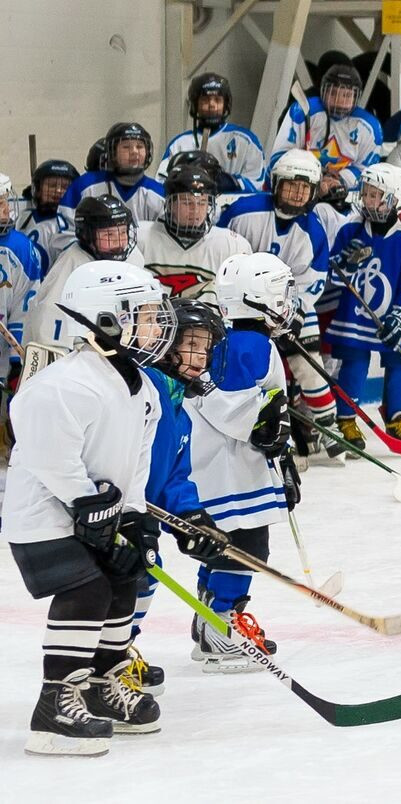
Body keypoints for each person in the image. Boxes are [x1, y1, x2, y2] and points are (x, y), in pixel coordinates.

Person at [3, 260, 175, 755]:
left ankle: (100, 688)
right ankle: (55, 702)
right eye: (143, 314)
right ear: (105, 319)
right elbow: (42, 450)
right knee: (89, 586)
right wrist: (84, 499)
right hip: (43, 517)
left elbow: (135, 463)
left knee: (127, 576)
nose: (157, 324)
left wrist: (136, 517)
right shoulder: (66, 383)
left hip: (94, 513)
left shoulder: (142, 388)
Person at [187, 253, 296, 672]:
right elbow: (232, 409)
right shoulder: (253, 344)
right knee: (247, 548)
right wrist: (268, 430)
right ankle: (223, 630)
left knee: (220, 546)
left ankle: (208, 623)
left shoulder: (223, 337)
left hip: (215, 466)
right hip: (232, 469)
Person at [129, 298, 228, 693]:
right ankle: (99, 662)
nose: (201, 358)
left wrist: (193, 519)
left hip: (141, 514)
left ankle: (119, 649)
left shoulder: (179, 409)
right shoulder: (143, 387)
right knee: (123, 577)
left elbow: (173, 477)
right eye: (192, 345)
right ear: (165, 344)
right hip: (109, 511)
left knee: (143, 575)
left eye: (206, 348)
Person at [219, 149, 339, 462]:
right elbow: (221, 254)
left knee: (308, 360)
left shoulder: (312, 230)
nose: (298, 193)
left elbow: (310, 282)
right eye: (291, 185)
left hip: (282, 304)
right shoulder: (243, 212)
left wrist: (293, 314)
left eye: (305, 187)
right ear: (275, 184)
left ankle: (328, 425)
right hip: (239, 305)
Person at [327, 163, 401, 447]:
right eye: (367, 194)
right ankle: (346, 419)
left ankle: (396, 417)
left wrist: (400, 316)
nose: (369, 201)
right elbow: (334, 278)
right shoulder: (350, 229)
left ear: (396, 199)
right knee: (354, 362)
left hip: (393, 314)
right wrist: (343, 264)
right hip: (355, 314)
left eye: (377, 195)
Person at [28, 196, 145, 349]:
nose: (119, 242)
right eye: (109, 235)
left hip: (123, 349)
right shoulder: (72, 264)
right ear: (86, 235)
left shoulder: (134, 258)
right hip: (83, 353)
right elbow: (50, 320)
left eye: (123, 232)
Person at [269, 63, 383, 202]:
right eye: (333, 93)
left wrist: (339, 180)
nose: (339, 101)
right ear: (323, 91)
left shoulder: (370, 128)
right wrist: (312, 178)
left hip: (343, 198)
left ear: (356, 97)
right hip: (298, 193)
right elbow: (278, 159)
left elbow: (367, 172)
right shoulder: (302, 111)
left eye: (347, 95)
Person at [137, 166, 252, 299]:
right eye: (187, 203)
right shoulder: (141, 238)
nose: (195, 210)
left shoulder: (231, 245)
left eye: (202, 203)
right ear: (170, 204)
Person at [158, 72, 266, 193]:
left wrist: (226, 182)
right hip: (190, 208)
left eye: (217, 100)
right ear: (195, 104)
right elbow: (160, 183)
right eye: (205, 100)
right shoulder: (179, 144)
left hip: (233, 210)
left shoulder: (245, 141)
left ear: (226, 104)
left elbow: (258, 183)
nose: (212, 105)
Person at [60, 122, 166, 224]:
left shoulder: (159, 193)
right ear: (112, 152)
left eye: (139, 146)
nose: (134, 151)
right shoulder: (84, 186)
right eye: (126, 147)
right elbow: (65, 232)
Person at [0, 176, 42, 374]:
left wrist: (18, 360)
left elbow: (25, 306)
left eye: (6, 201)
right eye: (0, 204)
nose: (6, 210)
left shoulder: (20, 247)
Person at [16, 159, 78, 274]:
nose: (59, 191)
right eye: (52, 185)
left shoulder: (70, 226)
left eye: (65, 187)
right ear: (37, 189)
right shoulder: (24, 217)